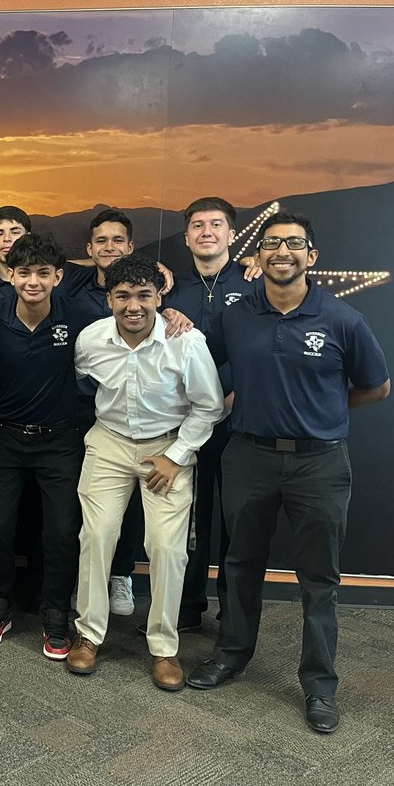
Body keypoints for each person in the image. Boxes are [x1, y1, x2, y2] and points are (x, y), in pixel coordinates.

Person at [187, 211, 389, 734]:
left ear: (312, 256)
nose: (282, 252)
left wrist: (324, 412)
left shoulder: (343, 319)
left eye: (294, 244)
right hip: (248, 455)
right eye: (271, 242)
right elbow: (203, 362)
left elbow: (377, 387)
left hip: (319, 462)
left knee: (318, 579)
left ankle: (320, 685)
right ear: (256, 255)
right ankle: (232, 654)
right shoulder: (237, 315)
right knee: (239, 563)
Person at [66, 256, 223, 691]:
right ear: (109, 299)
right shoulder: (90, 340)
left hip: (168, 446)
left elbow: (208, 406)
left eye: (143, 296)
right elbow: (80, 382)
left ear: (159, 297)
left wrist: (176, 455)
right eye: (122, 296)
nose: (133, 306)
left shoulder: (186, 341)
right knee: (96, 536)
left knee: (167, 548)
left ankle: (164, 647)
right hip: (110, 441)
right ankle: (89, 634)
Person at [58, 209, 183, 618]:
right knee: (95, 525)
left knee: (148, 530)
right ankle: (88, 617)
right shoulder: (74, 284)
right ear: (89, 249)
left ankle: (123, 577)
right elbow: (78, 367)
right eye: (101, 242)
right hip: (98, 425)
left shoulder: (165, 316)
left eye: (118, 241)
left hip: (158, 434)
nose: (109, 248)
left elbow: (206, 403)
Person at [0, 233, 94, 659]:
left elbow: (129, 313)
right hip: (4, 437)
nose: (33, 281)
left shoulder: (77, 314)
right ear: (9, 274)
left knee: (61, 531)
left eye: (44, 273)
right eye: (24, 272)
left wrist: (171, 312)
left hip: (59, 440)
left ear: (58, 277)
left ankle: (55, 612)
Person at [160, 196, 258, 632]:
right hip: (187, 423)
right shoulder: (170, 287)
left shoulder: (255, 281)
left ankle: (234, 615)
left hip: (240, 419)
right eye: (198, 225)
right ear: (186, 236)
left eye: (216, 224)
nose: (206, 232)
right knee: (189, 519)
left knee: (237, 522)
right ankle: (187, 608)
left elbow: (262, 349)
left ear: (231, 234)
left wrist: (235, 395)